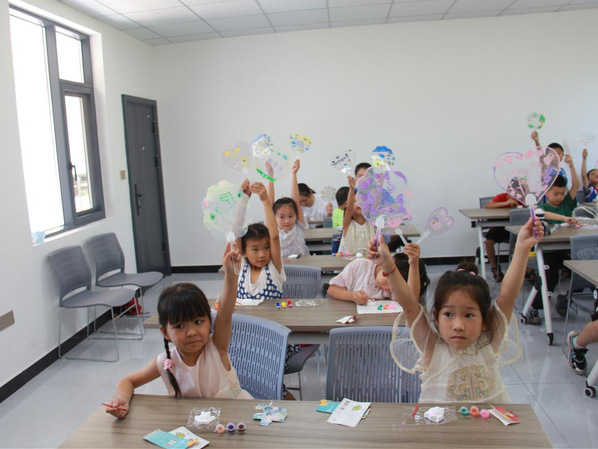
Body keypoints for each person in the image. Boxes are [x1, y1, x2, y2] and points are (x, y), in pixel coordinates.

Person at [373, 218, 543, 403]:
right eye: (448, 314)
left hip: (491, 422)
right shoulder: (431, 346)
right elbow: (409, 306)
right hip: (438, 423)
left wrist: (522, 247)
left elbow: (507, 297)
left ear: (485, 321)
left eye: (469, 315)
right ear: (436, 318)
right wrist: (388, 265)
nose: (458, 326)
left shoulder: (488, 341)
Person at [104, 246, 252, 418]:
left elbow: (225, 314)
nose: (191, 332)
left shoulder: (217, 346)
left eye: (198, 322)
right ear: (165, 332)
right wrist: (122, 399)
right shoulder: (165, 362)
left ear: (209, 322)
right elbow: (127, 381)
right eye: (180, 326)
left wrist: (231, 276)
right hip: (196, 426)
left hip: (236, 417)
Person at [525, 170, 581, 322]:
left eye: (562, 194)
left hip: (566, 250)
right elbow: (542, 214)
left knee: (582, 273)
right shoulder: (542, 208)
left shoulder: (567, 202)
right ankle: (534, 308)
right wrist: (565, 218)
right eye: (556, 194)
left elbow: (576, 184)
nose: (559, 197)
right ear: (546, 192)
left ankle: (565, 298)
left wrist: (571, 165)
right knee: (549, 278)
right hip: (548, 251)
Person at [328, 242, 424, 304]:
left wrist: (414, 263)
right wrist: (352, 296)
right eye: (388, 281)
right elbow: (332, 289)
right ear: (387, 264)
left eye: (393, 285)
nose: (388, 288)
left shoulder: (393, 289)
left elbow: (411, 299)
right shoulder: (360, 266)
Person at [237, 180, 286, 299]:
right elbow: (237, 232)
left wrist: (265, 200)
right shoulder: (241, 266)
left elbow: (274, 237)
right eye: (255, 249)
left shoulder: (273, 266)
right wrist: (243, 201)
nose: (262, 254)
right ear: (244, 252)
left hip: (272, 313)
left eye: (266, 248)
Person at [268, 160, 310, 258]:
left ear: (296, 215)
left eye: (291, 216)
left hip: (302, 266)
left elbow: (296, 201)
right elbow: (269, 205)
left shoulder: (299, 226)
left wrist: (294, 174)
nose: (287, 221)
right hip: (281, 267)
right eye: (281, 217)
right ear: (274, 217)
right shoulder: (273, 230)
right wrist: (270, 177)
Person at [484, 193, 520, 281]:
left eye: (518, 193)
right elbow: (488, 205)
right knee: (489, 242)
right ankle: (494, 268)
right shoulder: (501, 197)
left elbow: (531, 208)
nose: (516, 195)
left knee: (529, 239)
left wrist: (526, 193)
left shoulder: (523, 198)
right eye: (513, 193)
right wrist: (506, 203)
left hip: (518, 227)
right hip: (500, 226)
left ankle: (528, 270)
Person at [338, 175, 375, 255]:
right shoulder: (347, 225)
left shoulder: (372, 224)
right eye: (355, 201)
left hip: (369, 260)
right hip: (350, 261)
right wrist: (351, 188)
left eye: (362, 201)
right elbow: (349, 208)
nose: (359, 203)